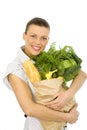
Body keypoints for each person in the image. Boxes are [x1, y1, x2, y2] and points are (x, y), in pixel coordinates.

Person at [3, 17, 87, 130]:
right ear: (24, 36)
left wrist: (67, 95)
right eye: (33, 36)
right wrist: (68, 117)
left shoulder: (48, 59)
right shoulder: (15, 68)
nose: (38, 42)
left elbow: (81, 74)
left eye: (43, 38)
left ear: (47, 40)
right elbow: (29, 109)